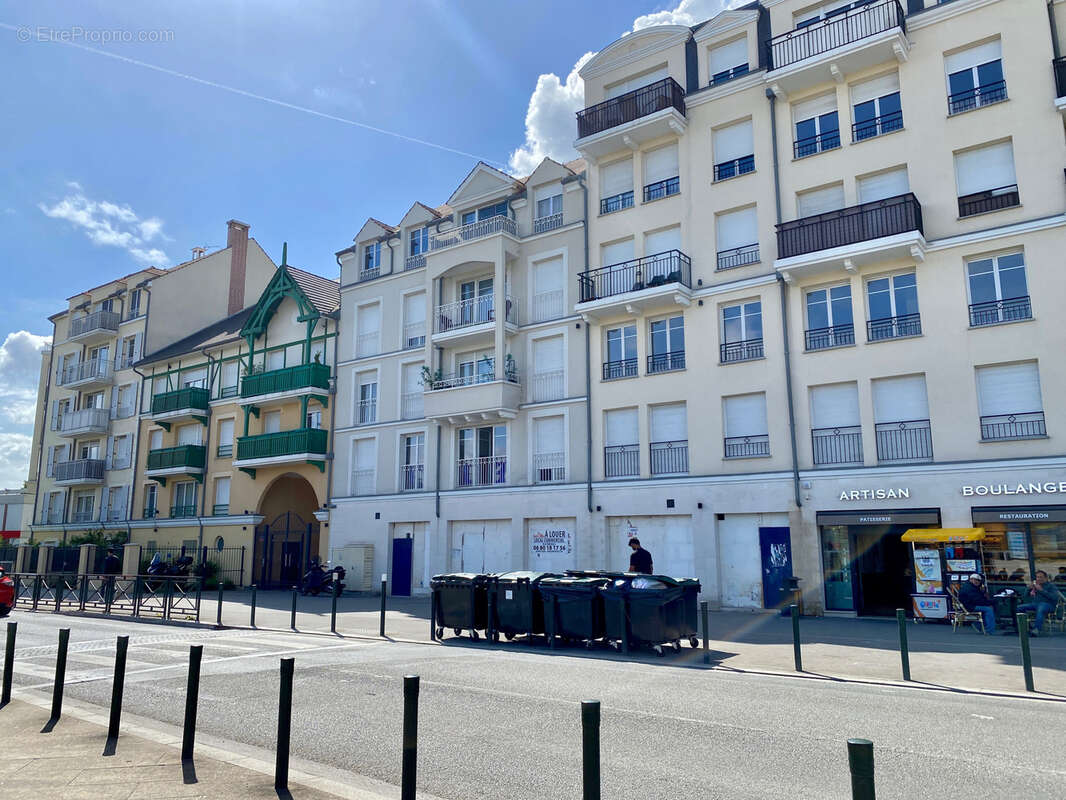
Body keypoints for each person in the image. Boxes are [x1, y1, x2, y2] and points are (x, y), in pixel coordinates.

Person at [1018, 570, 1062, 635]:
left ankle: (1036, 629)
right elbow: (1025, 596)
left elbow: (1054, 597)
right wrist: (1028, 588)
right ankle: (1025, 627)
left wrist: (1041, 590)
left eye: (1041, 577)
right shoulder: (1035, 586)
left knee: (1041, 607)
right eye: (1037, 577)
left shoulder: (1051, 586)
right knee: (1019, 608)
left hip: (1049, 605)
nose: (1039, 579)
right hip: (1035, 604)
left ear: (1046, 578)